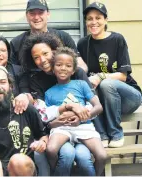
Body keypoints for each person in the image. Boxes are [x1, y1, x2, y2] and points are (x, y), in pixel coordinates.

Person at [20, 32, 96, 176]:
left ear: (54, 51)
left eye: (45, 53)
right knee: (67, 154)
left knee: (83, 157)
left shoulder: (77, 73)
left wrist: (80, 117)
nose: (42, 60)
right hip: (56, 132)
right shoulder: (36, 80)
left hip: (83, 129)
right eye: (36, 58)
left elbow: (93, 104)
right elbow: (42, 113)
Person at [77, 2, 142, 148]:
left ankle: (116, 133)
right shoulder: (82, 43)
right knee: (87, 85)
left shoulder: (117, 39)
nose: (94, 22)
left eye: (98, 18)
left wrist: (100, 76)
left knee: (105, 83)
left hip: (128, 98)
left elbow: (123, 76)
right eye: (90, 18)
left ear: (106, 20)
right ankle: (102, 135)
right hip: (103, 102)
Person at [43, 47, 107, 176]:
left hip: (84, 127)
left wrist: (82, 117)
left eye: (68, 66)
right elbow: (48, 119)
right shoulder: (49, 92)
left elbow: (98, 107)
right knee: (50, 150)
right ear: (53, 68)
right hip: (62, 128)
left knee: (102, 156)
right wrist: (58, 121)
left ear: (73, 70)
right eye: (59, 65)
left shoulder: (81, 84)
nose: (63, 68)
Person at [9, 0, 88, 72]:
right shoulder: (16, 42)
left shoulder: (63, 37)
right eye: (32, 13)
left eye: (40, 12)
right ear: (27, 16)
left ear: (48, 14)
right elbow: (12, 71)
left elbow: (80, 64)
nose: (36, 17)